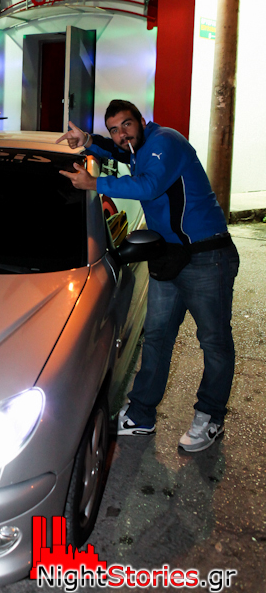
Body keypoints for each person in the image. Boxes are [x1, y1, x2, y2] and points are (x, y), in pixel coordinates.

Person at [58, 99, 239, 453]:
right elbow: (118, 152)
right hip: (170, 257)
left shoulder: (164, 141)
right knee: (156, 337)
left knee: (214, 343)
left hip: (207, 256)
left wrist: (95, 183)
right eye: (114, 129)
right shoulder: (137, 149)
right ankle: (141, 416)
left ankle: (210, 417)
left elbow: (148, 186)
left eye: (126, 125)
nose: (122, 134)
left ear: (142, 121)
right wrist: (89, 141)